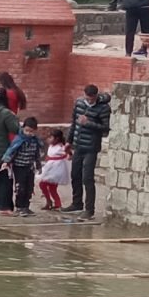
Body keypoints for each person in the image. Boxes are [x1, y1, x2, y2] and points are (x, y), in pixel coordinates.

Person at [65, 83, 110, 219]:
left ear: (96, 96)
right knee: (75, 174)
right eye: (87, 98)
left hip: (91, 147)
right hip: (78, 145)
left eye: (92, 99)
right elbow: (74, 123)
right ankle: (76, 202)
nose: (90, 101)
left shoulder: (103, 108)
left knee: (87, 178)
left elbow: (105, 129)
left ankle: (89, 209)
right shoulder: (79, 103)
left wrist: (88, 123)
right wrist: (69, 141)